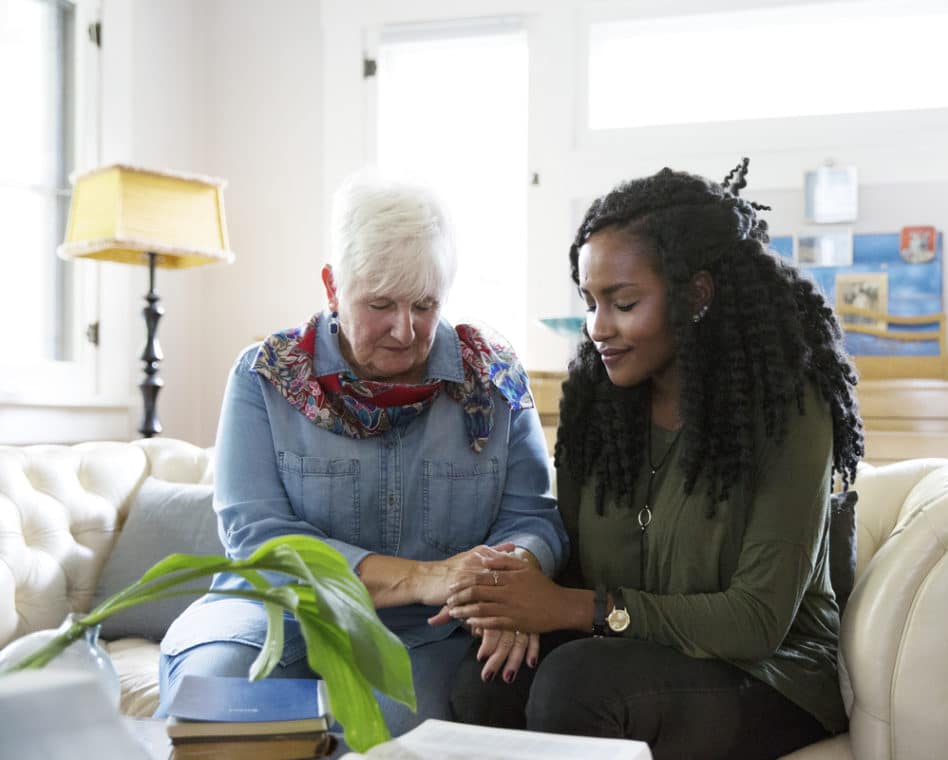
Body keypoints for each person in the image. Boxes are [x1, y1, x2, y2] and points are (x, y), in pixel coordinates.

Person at [439, 159, 864, 759]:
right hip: (630, 651)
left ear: (697, 294)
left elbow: (756, 621)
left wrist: (570, 608)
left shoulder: (786, 408)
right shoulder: (598, 403)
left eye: (623, 302)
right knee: (489, 682)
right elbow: (576, 558)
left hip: (772, 674)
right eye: (589, 302)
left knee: (575, 686)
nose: (597, 328)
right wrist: (516, 603)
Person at [156, 171, 568, 735]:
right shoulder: (264, 378)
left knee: (394, 735)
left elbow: (532, 518)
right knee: (212, 705)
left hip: (426, 633)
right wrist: (426, 577)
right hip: (273, 615)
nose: (405, 330)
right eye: (380, 304)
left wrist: (508, 586)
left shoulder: (493, 380)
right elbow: (258, 537)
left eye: (426, 305)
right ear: (332, 286)